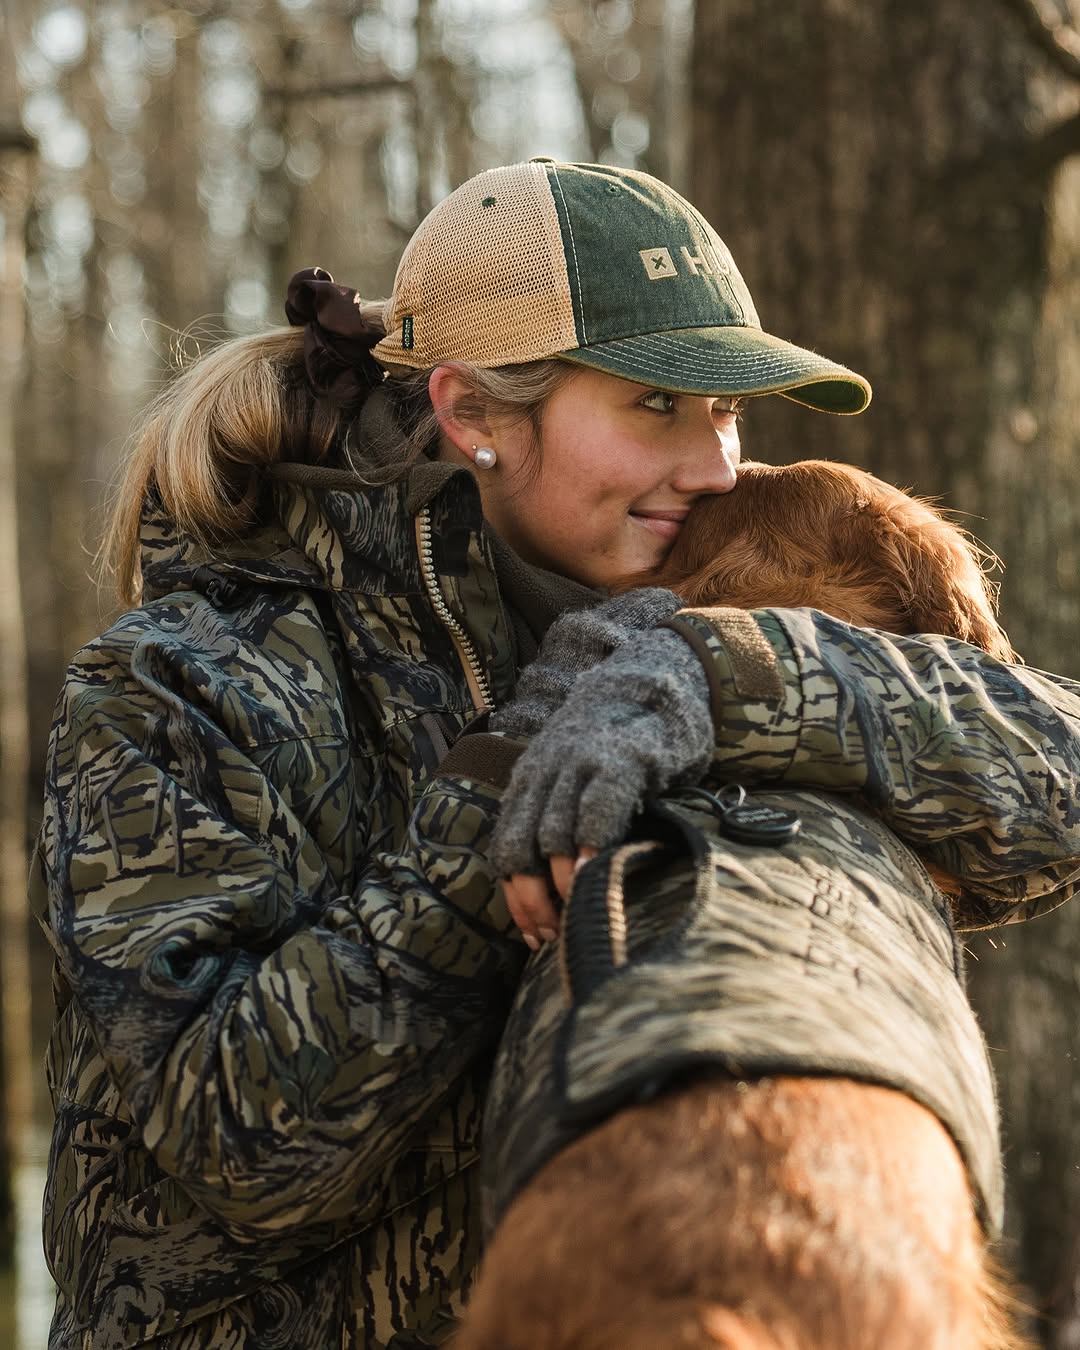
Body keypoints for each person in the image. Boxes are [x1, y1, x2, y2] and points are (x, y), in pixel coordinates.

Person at [29, 158, 1080, 1350]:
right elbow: (242, 1142)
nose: (716, 464)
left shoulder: (673, 591)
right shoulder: (177, 682)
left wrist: (720, 680)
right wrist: (506, 785)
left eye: (724, 407)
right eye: (655, 405)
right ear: (473, 411)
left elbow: (1054, 786)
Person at [450, 461, 1035, 1349]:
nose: (719, 461)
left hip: (567, 1209)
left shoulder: (573, 727)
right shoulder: (950, 747)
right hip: (867, 1213)